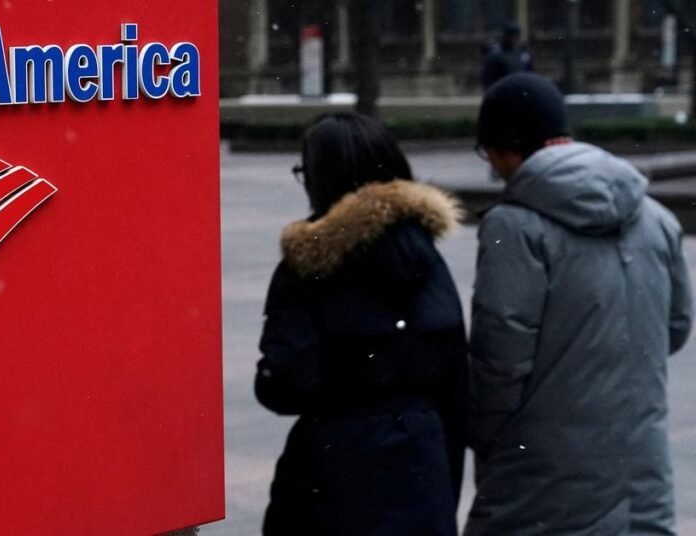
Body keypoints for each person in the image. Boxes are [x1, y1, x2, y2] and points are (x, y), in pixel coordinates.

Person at [467, 72, 693, 535]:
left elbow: (499, 364)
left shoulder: (514, 227)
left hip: (543, 474)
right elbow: (676, 327)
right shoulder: (657, 219)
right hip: (639, 469)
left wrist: (486, 438)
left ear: (507, 148)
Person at [254, 113, 469, 535]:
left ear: (321, 178)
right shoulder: (428, 260)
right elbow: (457, 390)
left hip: (331, 481)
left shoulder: (307, 266)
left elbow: (286, 383)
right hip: (422, 476)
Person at [480, 23, 533, 89]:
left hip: (520, 88)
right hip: (502, 89)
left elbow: (530, 72)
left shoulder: (524, 53)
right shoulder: (496, 54)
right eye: (512, 36)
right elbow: (488, 76)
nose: (514, 39)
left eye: (516, 36)